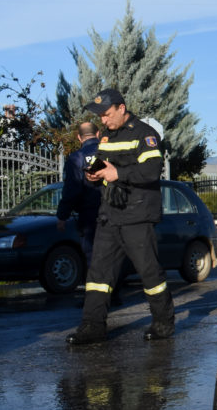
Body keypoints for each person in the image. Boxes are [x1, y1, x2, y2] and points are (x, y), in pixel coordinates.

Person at [66, 88, 175, 345]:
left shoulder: (145, 135)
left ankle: (163, 323)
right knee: (98, 275)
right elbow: (102, 165)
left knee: (149, 273)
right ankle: (92, 326)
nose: (103, 121)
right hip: (109, 216)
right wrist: (93, 174)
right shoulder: (106, 137)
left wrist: (119, 174)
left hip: (137, 216)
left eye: (106, 114)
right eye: (100, 117)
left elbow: (151, 170)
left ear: (121, 108)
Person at [56, 122, 101, 261]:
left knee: (92, 257)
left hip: (89, 216)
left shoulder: (77, 158)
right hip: (114, 212)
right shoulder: (109, 153)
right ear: (98, 134)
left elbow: (72, 189)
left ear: (79, 137)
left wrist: (62, 216)